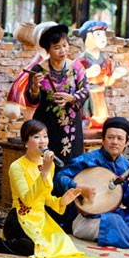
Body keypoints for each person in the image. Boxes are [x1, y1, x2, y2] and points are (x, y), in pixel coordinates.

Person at [0, 119, 106, 258]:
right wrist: (43, 174)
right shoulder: (17, 167)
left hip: (40, 218)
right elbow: (27, 200)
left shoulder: (47, 166)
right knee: (31, 247)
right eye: (36, 137)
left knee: (61, 243)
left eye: (45, 136)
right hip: (20, 217)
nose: (43, 141)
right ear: (25, 141)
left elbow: (45, 197)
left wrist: (61, 201)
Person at [56, 117, 129, 249]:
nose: (114, 142)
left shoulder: (126, 166)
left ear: (127, 142)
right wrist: (78, 187)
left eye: (119, 138)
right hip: (87, 219)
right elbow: (60, 177)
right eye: (110, 137)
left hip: (113, 213)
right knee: (113, 221)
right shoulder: (88, 159)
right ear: (103, 139)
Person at [25, 24, 90, 166]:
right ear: (48, 50)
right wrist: (35, 86)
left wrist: (72, 98)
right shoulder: (39, 69)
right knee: (46, 163)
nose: (63, 50)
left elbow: (85, 90)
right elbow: (32, 99)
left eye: (65, 45)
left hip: (71, 125)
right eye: (57, 47)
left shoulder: (76, 67)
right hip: (47, 124)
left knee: (71, 164)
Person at [74, 20, 126, 128]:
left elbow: (106, 82)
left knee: (101, 125)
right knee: (86, 125)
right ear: (87, 37)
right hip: (87, 100)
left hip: (100, 99)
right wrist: (86, 74)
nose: (102, 38)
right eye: (98, 34)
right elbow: (74, 81)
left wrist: (115, 76)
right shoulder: (81, 60)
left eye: (103, 35)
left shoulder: (106, 62)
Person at [3, 22, 58, 120]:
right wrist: (14, 100)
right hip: (33, 102)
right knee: (34, 127)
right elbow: (21, 80)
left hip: (53, 104)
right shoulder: (37, 64)